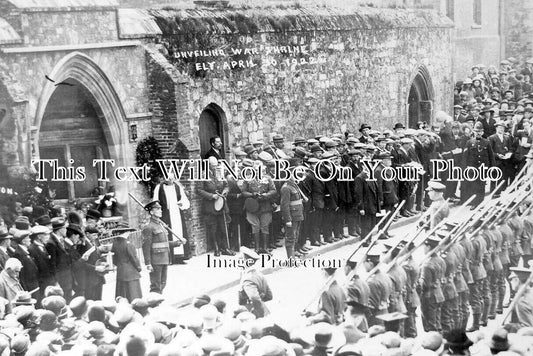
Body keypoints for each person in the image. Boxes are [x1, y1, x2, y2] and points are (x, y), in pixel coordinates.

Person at [141, 200, 182, 294]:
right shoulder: (148, 227)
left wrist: (177, 243)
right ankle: (154, 303)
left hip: (164, 258)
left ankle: (158, 301)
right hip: (155, 261)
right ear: (151, 212)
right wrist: (148, 263)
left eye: (160, 208)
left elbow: (164, 243)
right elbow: (146, 246)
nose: (160, 210)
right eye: (157, 209)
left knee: (163, 284)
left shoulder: (160, 225)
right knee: (156, 286)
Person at [197, 157, 233, 256]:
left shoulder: (220, 173)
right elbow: (199, 190)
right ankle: (216, 248)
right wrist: (211, 196)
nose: (215, 167)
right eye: (213, 165)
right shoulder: (203, 175)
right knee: (213, 227)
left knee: (224, 226)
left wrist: (225, 192)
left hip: (221, 203)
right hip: (210, 205)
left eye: (216, 165)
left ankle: (225, 248)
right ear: (208, 165)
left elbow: (226, 185)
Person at [153, 173, 191, 264]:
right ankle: (170, 258)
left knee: (179, 233)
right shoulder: (159, 187)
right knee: (168, 235)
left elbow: (184, 199)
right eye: (168, 178)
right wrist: (157, 211)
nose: (170, 180)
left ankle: (180, 257)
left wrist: (181, 203)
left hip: (177, 214)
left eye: (171, 178)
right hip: (166, 214)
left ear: (174, 178)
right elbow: (155, 201)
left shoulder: (178, 187)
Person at [238, 247, 272, 318]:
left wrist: (258, 312)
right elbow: (269, 296)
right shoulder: (259, 274)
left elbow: (254, 298)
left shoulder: (247, 278)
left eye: (241, 259)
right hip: (264, 311)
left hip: (252, 314)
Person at [46, 217, 74, 301]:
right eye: (65, 228)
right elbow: (52, 264)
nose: (66, 230)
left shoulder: (62, 240)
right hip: (61, 279)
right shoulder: (51, 243)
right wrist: (56, 281)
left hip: (67, 277)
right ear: (59, 230)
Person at [112, 227, 142, 302]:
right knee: (133, 294)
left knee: (122, 294)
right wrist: (138, 268)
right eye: (128, 232)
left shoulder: (115, 244)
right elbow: (134, 258)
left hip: (121, 271)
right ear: (126, 233)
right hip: (131, 272)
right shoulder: (128, 244)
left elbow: (114, 260)